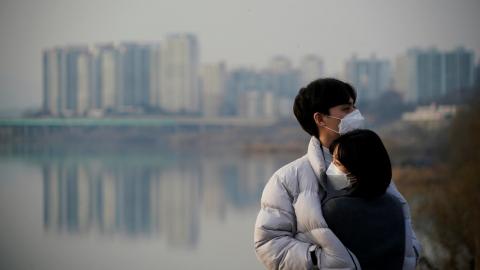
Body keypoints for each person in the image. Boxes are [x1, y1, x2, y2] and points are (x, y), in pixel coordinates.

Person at [254, 78, 421, 269]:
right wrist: (320, 259)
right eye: (346, 109)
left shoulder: (372, 166)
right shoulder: (288, 179)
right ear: (320, 118)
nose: (355, 114)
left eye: (354, 107)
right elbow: (268, 243)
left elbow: (405, 227)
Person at [323, 129, 405, 269]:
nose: (331, 167)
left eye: (337, 162)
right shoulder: (395, 205)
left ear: (359, 167)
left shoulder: (335, 208)